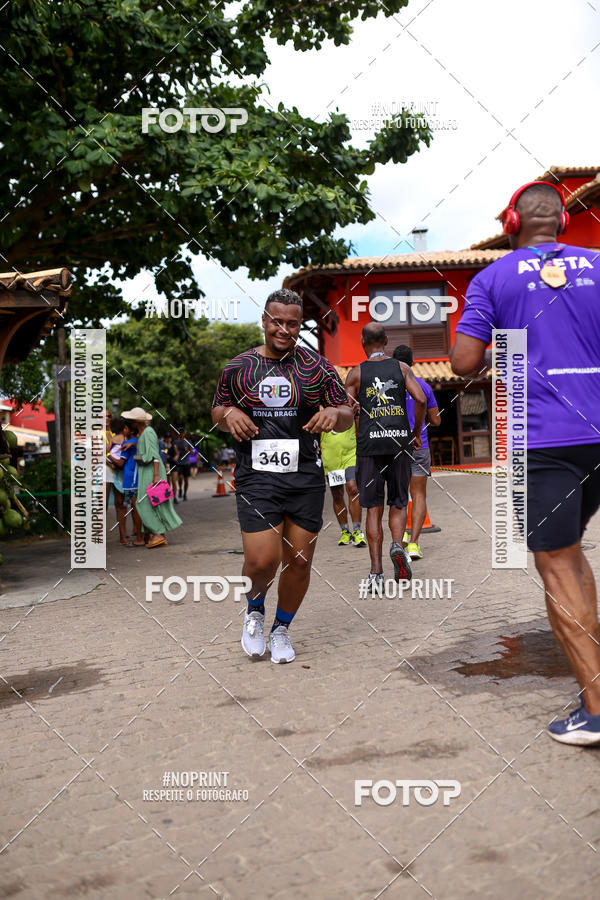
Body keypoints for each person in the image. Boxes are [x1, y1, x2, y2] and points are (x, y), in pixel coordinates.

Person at [450, 180, 600, 746]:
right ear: (561, 223)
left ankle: (596, 710)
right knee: (572, 556)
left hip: (542, 442)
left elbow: (464, 361)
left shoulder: (491, 278)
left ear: (512, 223)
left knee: (557, 565)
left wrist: (513, 339)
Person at [211, 288, 353, 664]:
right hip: (257, 476)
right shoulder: (238, 368)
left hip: (305, 475)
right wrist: (229, 415)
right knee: (262, 562)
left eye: (293, 323)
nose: (284, 330)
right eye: (277, 321)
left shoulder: (318, 367)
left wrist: (334, 416)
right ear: (264, 320)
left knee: (300, 561)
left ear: (299, 325)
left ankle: (281, 628)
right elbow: (217, 409)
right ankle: (254, 610)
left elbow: (346, 410)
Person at [345, 323, 426, 595]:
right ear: (387, 341)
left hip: (369, 446)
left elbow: (344, 409)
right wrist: (414, 433)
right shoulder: (402, 369)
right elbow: (421, 398)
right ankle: (397, 545)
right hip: (399, 442)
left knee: (373, 508)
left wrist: (353, 407)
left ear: (362, 343)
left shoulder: (356, 373)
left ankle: (376, 572)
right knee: (399, 501)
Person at [393, 345, 441, 560]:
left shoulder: (389, 387)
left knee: (397, 494)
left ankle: (400, 535)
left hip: (394, 447)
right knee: (418, 495)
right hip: (419, 446)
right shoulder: (423, 387)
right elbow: (437, 420)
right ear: (413, 362)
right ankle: (414, 544)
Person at [122, 406, 182, 548]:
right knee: (153, 502)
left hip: (151, 471)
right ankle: (159, 535)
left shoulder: (148, 432)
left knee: (142, 502)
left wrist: (156, 475)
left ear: (136, 422)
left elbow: (154, 455)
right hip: (147, 471)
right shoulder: (144, 433)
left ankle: (159, 533)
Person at [320, 418, 366, 547]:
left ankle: (357, 531)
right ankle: (345, 531)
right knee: (337, 494)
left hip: (350, 454)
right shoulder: (320, 406)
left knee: (353, 488)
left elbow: (361, 427)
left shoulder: (349, 405)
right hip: (331, 456)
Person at [112, 421, 144, 546]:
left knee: (134, 508)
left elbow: (120, 463)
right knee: (138, 507)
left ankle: (139, 538)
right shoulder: (139, 441)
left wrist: (107, 456)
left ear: (127, 429)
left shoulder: (127, 443)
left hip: (130, 479)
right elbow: (140, 458)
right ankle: (141, 535)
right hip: (139, 477)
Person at [174, 429, 191, 501]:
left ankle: (185, 494)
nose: (181, 434)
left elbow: (192, 452)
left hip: (186, 463)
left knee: (186, 480)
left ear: (184, 433)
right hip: (179, 463)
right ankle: (180, 489)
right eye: (180, 432)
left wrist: (187, 450)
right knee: (180, 478)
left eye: (182, 432)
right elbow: (171, 450)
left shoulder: (188, 442)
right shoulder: (175, 442)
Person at [165, 434, 179, 502]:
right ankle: (168, 497)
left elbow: (177, 453)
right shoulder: (165, 446)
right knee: (168, 482)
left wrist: (176, 457)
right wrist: (168, 457)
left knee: (174, 481)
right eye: (167, 438)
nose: (168, 439)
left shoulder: (174, 445)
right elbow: (165, 455)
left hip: (174, 464)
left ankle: (175, 497)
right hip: (167, 465)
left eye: (169, 437)